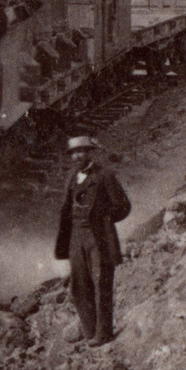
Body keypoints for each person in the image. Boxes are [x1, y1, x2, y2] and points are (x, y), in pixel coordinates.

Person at [53, 134, 131, 344]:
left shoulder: (105, 175)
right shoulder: (71, 177)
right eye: (74, 153)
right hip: (75, 238)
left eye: (81, 151)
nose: (77, 156)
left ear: (90, 153)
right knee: (79, 286)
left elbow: (123, 206)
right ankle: (90, 331)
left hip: (98, 237)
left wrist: (104, 219)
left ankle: (103, 333)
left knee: (101, 284)